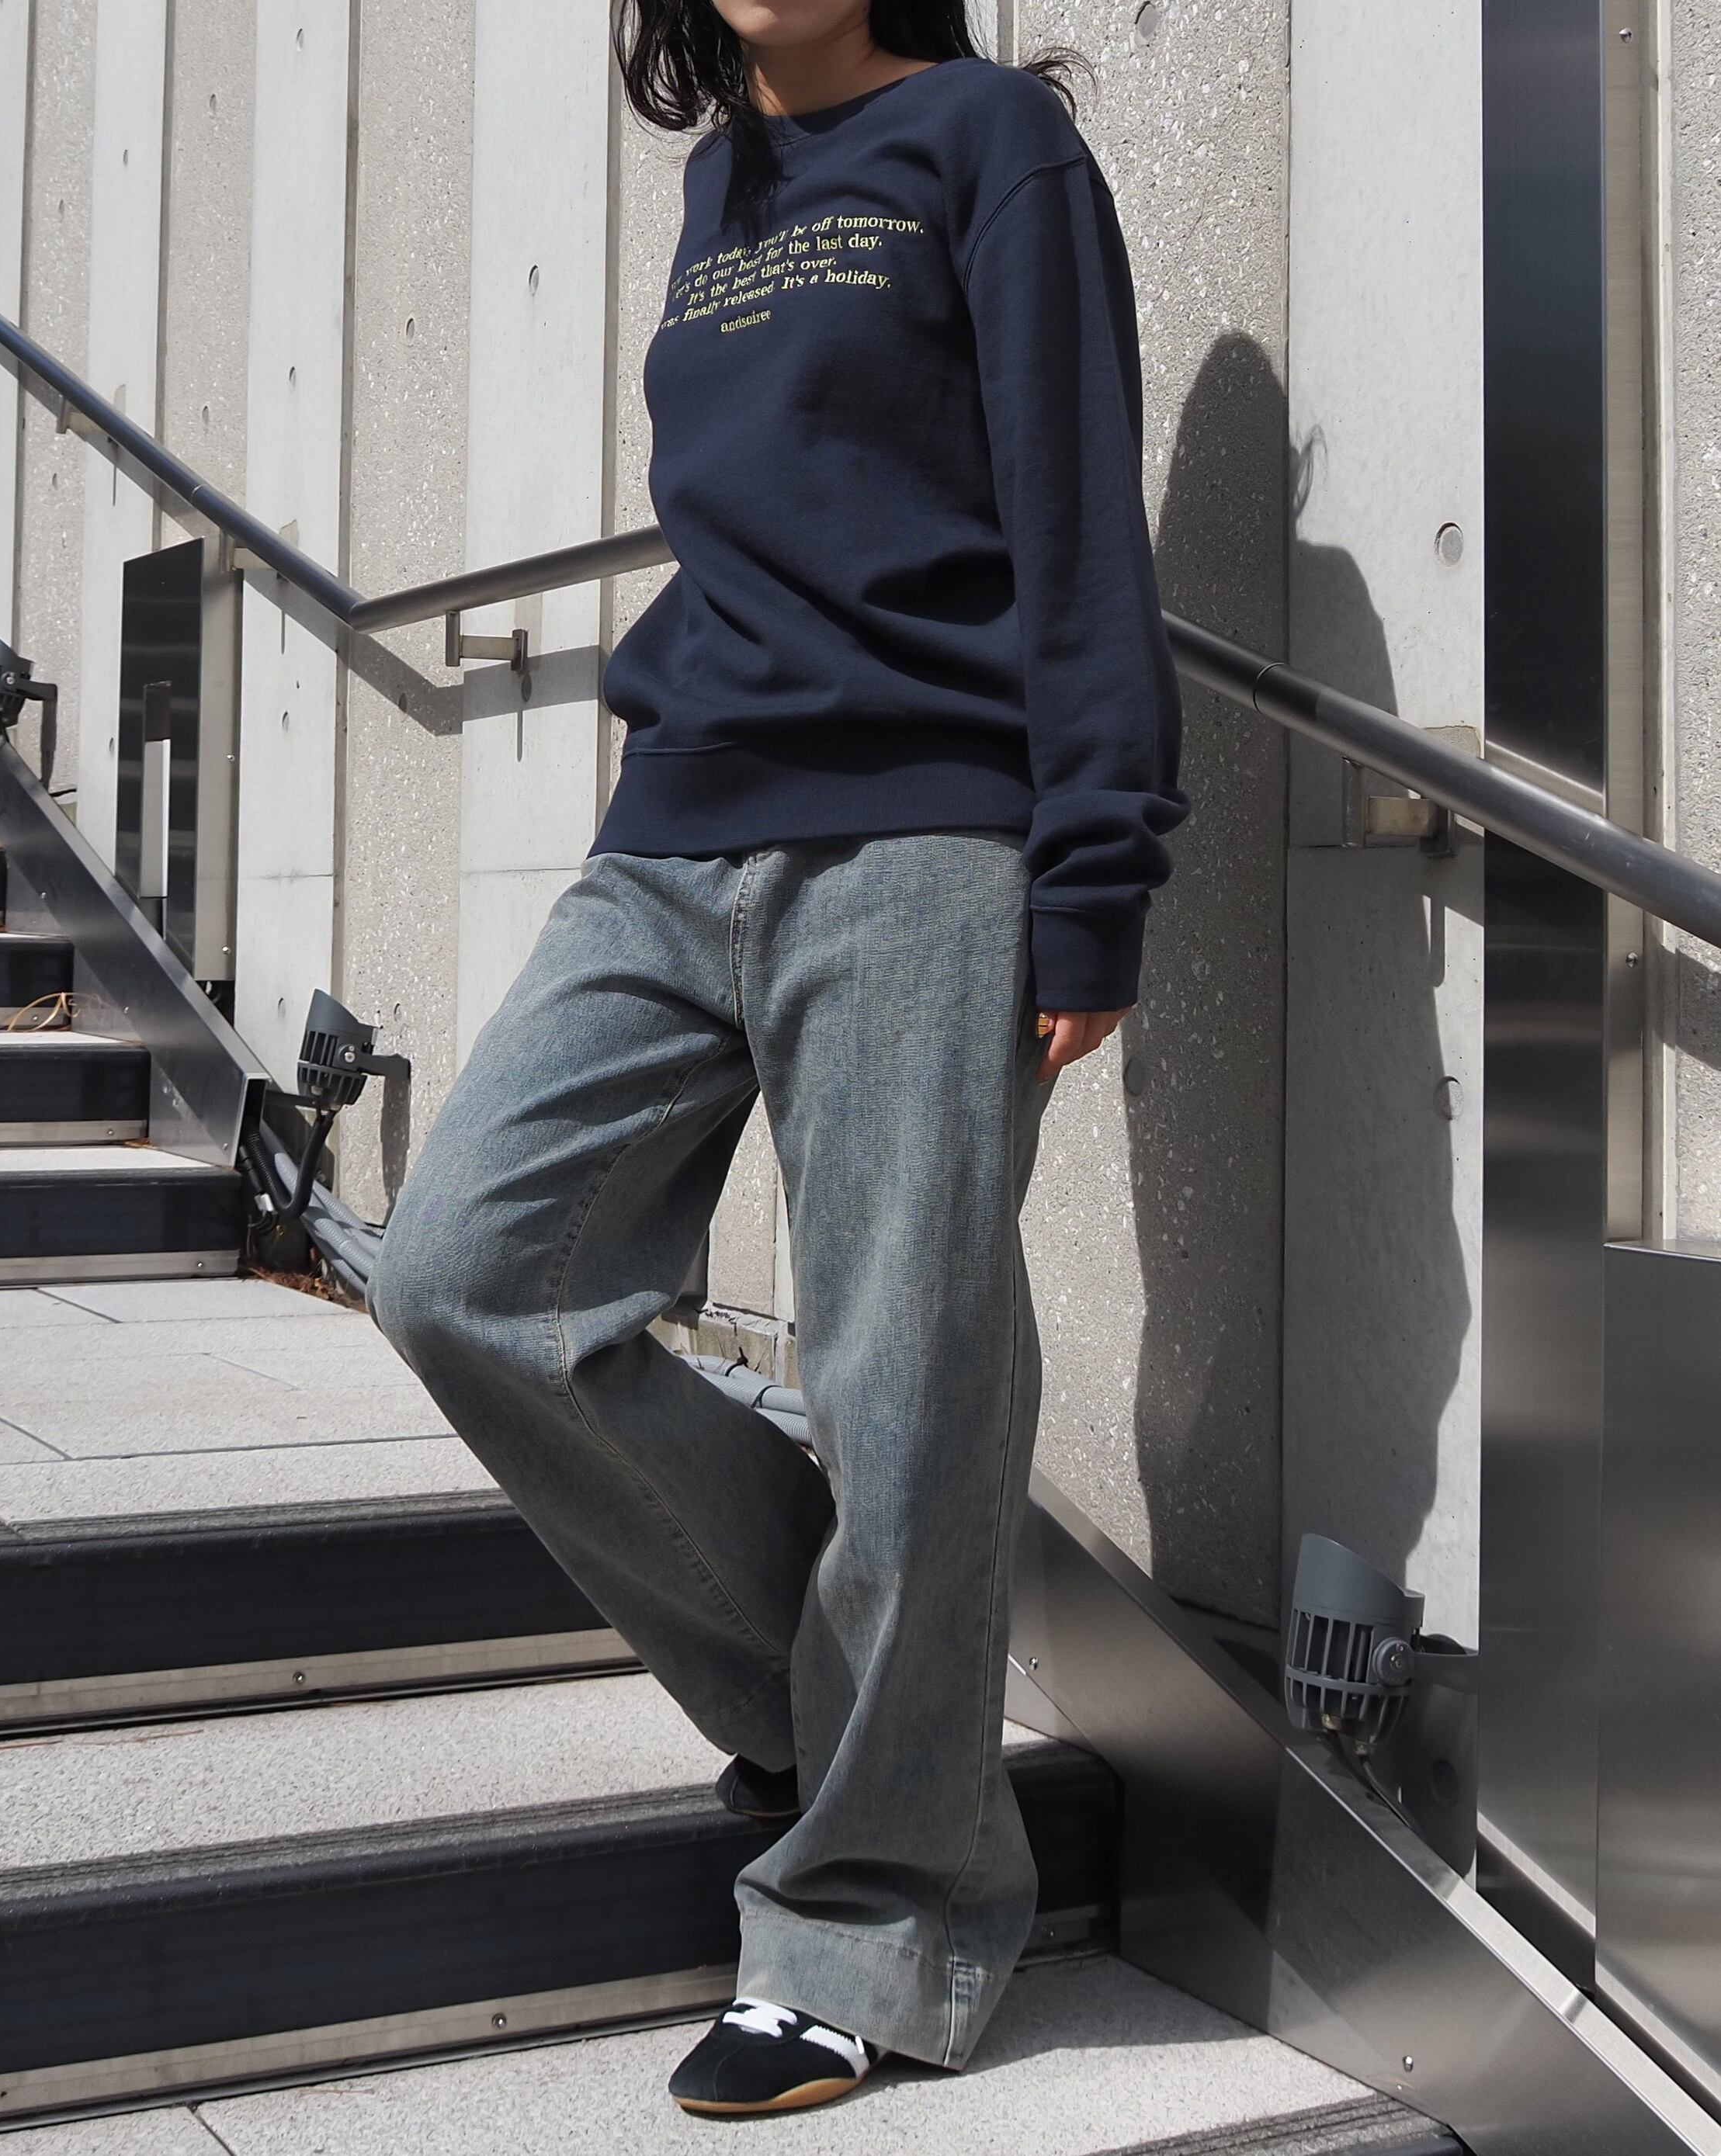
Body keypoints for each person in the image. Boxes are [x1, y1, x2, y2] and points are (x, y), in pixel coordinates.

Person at [372, 0, 1185, 2119]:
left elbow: (1078, 520)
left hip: (923, 835)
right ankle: (844, 1707)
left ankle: (875, 1919)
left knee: (905, 1376)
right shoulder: (718, 184)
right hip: (676, 826)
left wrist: (1096, 865)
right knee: (464, 1273)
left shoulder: (987, 142)